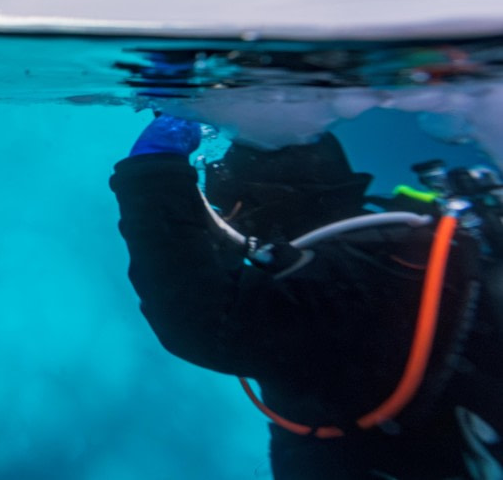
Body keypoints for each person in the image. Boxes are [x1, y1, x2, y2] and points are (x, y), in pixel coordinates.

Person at [110, 114, 503, 479]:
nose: (223, 224)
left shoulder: (339, 289)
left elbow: (203, 320)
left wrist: (153, 173)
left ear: (251, 207)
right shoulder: (406, 251)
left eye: (225, 210)